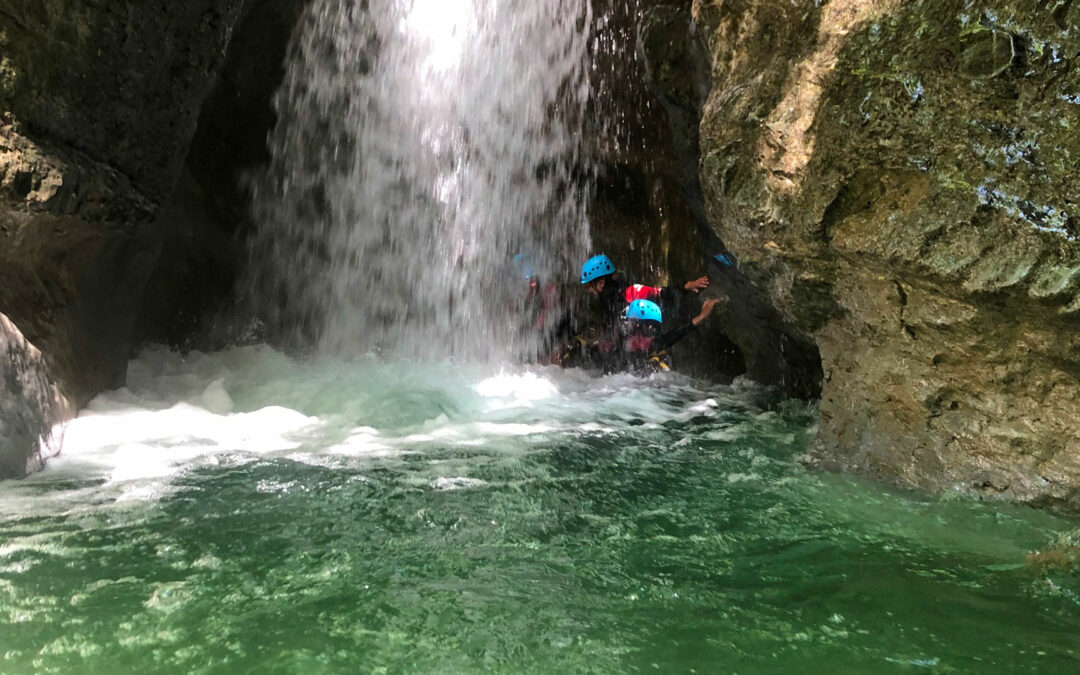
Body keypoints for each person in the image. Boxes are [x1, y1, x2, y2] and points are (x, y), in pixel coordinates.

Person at [618, 297, 721, 374]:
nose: (631, 325)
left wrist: (702, 316)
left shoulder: (656, 343)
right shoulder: (623, 338)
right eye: (631, 321)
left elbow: (680, 332)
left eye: (636, 322)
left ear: (650, 328)